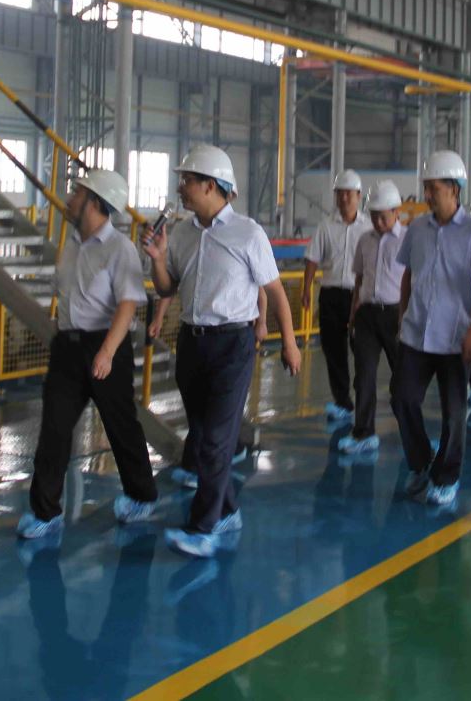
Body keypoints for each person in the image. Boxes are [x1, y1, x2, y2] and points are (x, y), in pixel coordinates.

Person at [144, 144, 302, 558]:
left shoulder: (248, 233)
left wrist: (289, 342)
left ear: (210, 186)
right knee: (203, 435)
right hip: (192, 344)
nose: (181, 187)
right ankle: (227, 510)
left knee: (216, 439)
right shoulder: (182, 233)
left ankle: (203, 527)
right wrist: (157, 259)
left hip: (233, 345)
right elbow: (166, 287)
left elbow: (276, 293)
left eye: (187, 180)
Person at [18, 169, 159, 540]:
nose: (69, 200)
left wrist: (107, 352)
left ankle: (141, 496)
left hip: (106, 345)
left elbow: (128, 303)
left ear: (95, 202)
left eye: (77, 194)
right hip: (68, 347)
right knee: (54, 428)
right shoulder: (71, 244)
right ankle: (45, 512)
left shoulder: (119, 249)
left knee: (120, 424)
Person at [394, 150, 471, 507]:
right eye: (426, 187)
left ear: (454, 188)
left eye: (433, 188)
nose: (427, 195)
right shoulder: (416, 229)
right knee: (403, 398)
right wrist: (403, 315)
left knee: (454, 411)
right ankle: (421, 461)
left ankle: (447, 476)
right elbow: (408, 275)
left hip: (455, 336)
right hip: (416, 332)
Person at [340, 180, 407, 455]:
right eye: (374, 216)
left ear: (396, 212)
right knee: (364, 376)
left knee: (404, 379)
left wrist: (408, 316)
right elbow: (359, 279)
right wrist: (353, 314)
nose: (378, 222)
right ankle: (364, 433)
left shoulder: (407, 240)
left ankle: (411, 433)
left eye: (383, 217)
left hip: (396, 315)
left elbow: (415, 280)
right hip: (367, 314)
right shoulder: (365, 240)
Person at [304, 169, 369, 425]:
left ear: (358, 196)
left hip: (359, 297)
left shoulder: (369, 227)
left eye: (348, 194)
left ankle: (363, 402)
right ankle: (343, 403)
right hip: (330, 295)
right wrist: (306, 289)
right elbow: (312, 258)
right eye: (339, 194)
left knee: (362, 352)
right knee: (333, 352)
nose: (343, 198)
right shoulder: (325, 226)